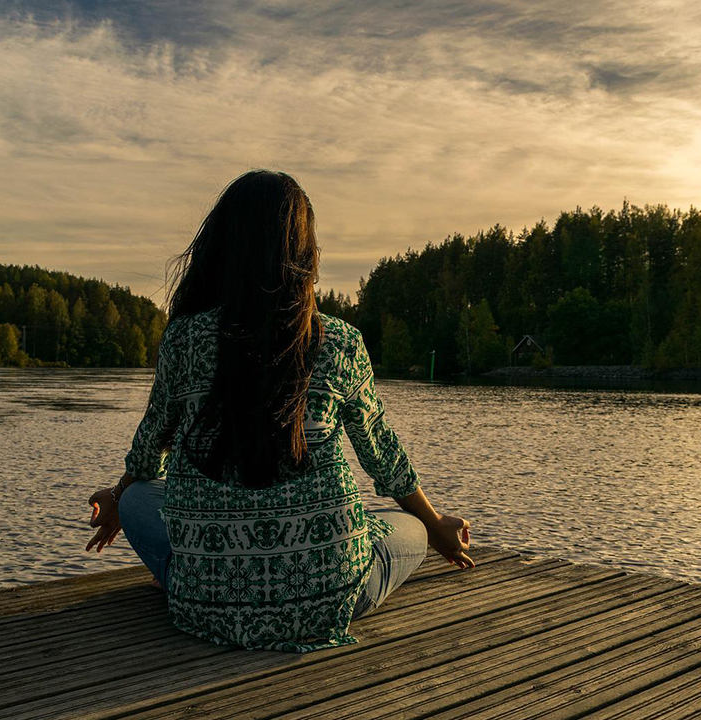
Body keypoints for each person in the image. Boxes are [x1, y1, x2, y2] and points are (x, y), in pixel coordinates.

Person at [85, 170, 472, 652]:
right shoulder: (340, 342)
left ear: (222, 247)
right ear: (305, 253)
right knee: (409, 527)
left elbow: (148, 451)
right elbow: (383, 457)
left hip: (204, 607)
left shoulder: (183, 339)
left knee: (142, 496)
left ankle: (201, 577)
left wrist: (120, 495)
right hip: (329, 598)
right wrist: (437, 526)